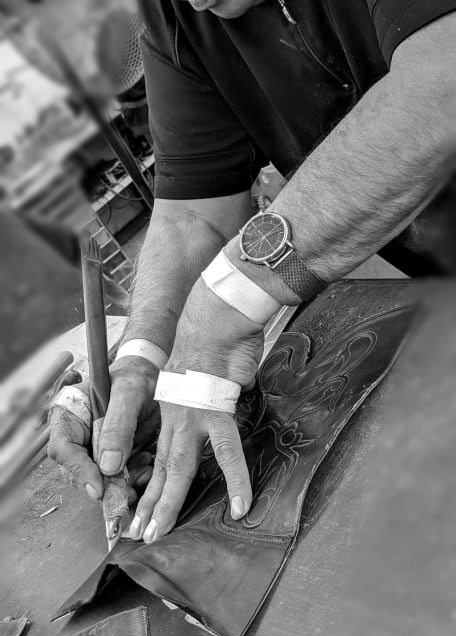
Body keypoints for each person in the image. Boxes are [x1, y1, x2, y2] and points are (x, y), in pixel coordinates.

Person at [49, 0, 456, 545]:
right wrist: (144, 359)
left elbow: (442, 79)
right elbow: (194, 211)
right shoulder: (180, 14)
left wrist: (225, 302)